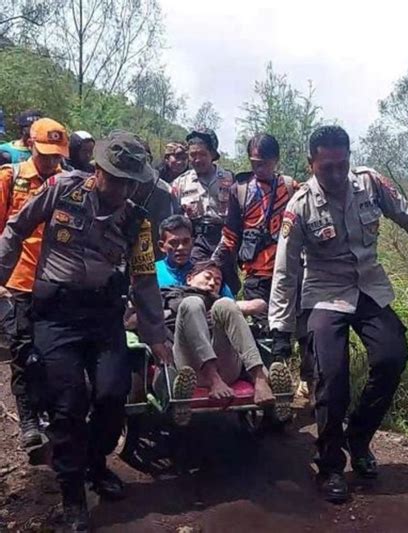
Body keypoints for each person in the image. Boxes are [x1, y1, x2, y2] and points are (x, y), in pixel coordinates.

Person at [268, 125, 408, 503]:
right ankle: (330, 465)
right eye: (325, 167)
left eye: (340, 165)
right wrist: (280, 330)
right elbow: (285, 271)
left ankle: (358, 438)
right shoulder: (299, 206)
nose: (334, 175)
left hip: (368, 287)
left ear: (349, 158)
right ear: (311, 163)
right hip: (325, 294)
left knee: (394, 356)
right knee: (332, 377)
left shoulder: (371, 184)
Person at [0, 132, 170, 531]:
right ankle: (72, 489)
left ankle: (96, 463)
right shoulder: (61, 190)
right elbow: (16, 228)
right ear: (97, 170)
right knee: (69, 402)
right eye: (116, 179)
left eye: (130, 182)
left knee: (113, 396)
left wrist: (157, 336)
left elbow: (145, 280)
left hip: (104, 316)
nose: (122, 190)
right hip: (56, 315)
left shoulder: (137, 222)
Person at [0, 118, 69, 461]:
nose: (51, 162)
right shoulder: (10, 179)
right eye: (45, 155)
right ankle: (28, 419)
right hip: (19, 281)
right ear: (30, 145)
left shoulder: (68, 183)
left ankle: (51, 414)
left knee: (54, 352)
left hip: (57, 283)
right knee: (23, 351)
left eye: (57, 156)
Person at [164, 260, 292, 419]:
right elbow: (137, 317)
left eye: (217, 282)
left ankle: (260, 379)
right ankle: (211, 381)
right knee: (192, 303)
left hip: (226, 366)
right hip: (189, 366)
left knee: (224, 304)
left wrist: (233, 307)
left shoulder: (220, 303)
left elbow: (260, 304)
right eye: (208, 277)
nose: (212, 283)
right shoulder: (169, 294)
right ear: (189, 278)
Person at [213, 133, 298, 328]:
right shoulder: (239, 190)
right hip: (255, 275)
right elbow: (230, 235)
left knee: (291, 328)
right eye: (253, 163)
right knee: (264, 329)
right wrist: (217, 265)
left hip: (288, 271)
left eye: (263, 163)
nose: (258, 168)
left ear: (275, 160)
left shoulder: (290, 187)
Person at [172, 128, 239, 294]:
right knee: (199, 284)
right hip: (196, 241)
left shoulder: (229, 179)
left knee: (226, 286)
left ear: (212, 154)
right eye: (192, 155)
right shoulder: (180, 183)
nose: (197, 159)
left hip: (224, 239)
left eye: (202, 154)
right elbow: (175, 220)